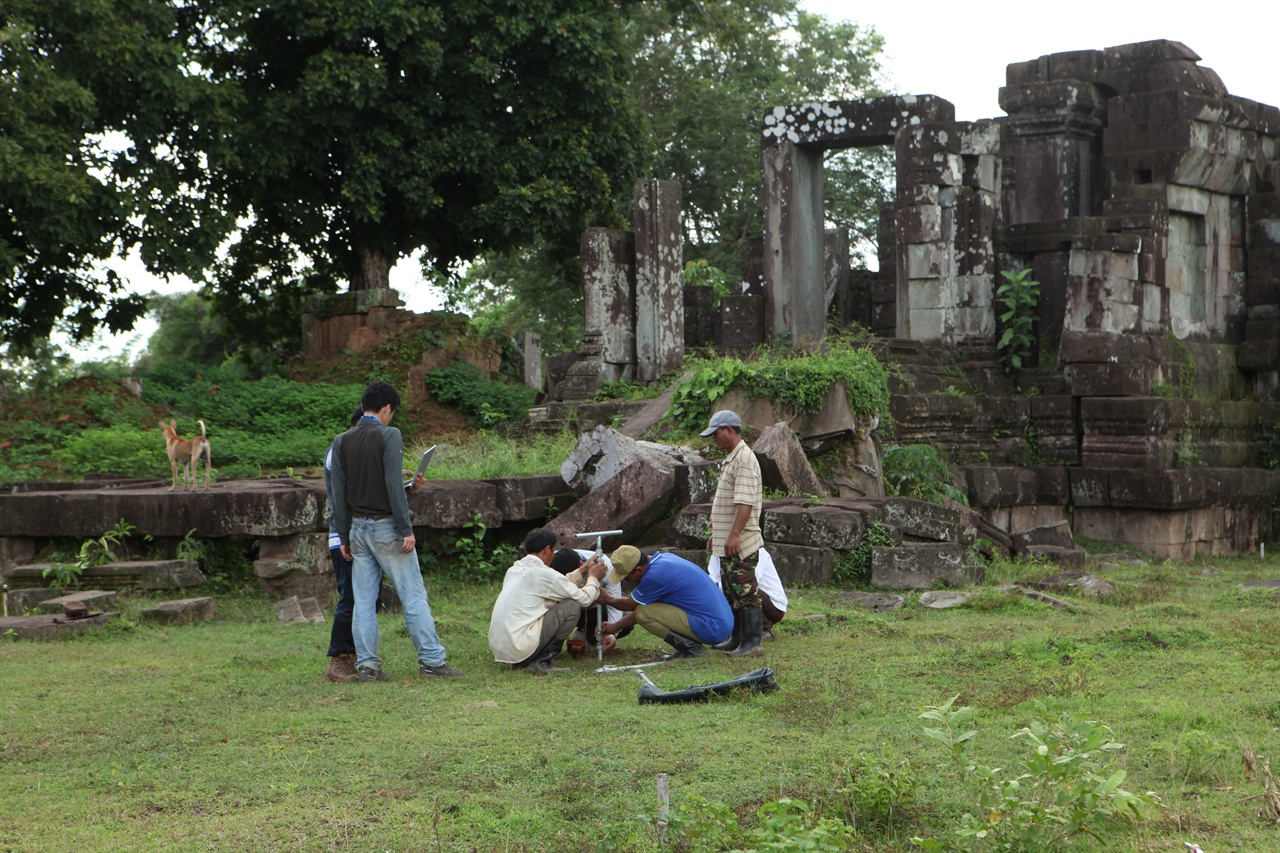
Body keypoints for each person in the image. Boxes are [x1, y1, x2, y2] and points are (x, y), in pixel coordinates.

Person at [330, 381, 461, 682]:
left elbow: (339, 493)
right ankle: (431, 661)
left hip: (357, 530)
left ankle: (367, 667)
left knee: (363, 602)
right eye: (392, 412)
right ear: (386, 408)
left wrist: (344, 534)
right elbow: (391, 485)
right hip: (386, 526)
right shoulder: (389, 435)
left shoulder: (341, 440)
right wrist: (406, 527)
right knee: (413, 596)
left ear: (364, 405)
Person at [488, 529, 607, 674]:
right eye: (554, 550)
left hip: (502, 649)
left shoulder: (514, 570)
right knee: (572, 606)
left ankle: (527, 659)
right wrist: (593, 577)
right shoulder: (544, 573)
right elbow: (585, 599)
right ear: (547, 549)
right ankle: (542, 661)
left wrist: (583, 570)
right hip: (520, 646)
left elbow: (558, 584)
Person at [701, 409, 767, 657]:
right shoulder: (733, 457)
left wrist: (734, 534)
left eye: (716, 434)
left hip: (741, 540)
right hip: (728, 539)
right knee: (731, 590)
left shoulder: (745, 459)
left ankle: (752, 642)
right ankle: (738, 638)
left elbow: (745, 502)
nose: (714, 439)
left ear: (729, 430)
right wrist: (717, 535)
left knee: (745, 591)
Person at [596, 546, 732, 659]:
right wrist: (616, 626)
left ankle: (692, 649)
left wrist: (607, 598)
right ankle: (688, 648)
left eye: (627, 578)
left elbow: (632, 606)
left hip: (712, 628)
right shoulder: (664, 559)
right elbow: (649, 608)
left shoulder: (654, 576)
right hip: (719, 623)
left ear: (639, 570)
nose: (627, 582)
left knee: (644, 613)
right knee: (645, 611)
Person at [548, 547, 632, 654]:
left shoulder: (606, 567)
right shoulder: (550, 564)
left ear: (580, 564)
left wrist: (610, 634)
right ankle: (550, 647)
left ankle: (586, 638)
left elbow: (614, 605)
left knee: (625, 619)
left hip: (593, 609)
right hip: (563, 609)